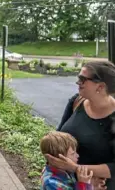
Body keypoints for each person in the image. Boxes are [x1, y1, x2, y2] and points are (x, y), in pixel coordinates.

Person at [47, 60, 115, 190]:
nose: (78, 83)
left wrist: (75, 168)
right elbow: (58, 137)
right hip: (66, 183)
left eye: (82, 79)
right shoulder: (77, 101)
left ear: (100, 86)